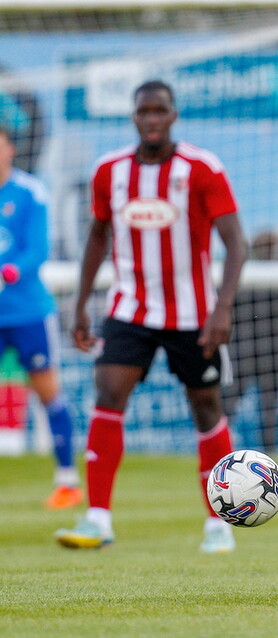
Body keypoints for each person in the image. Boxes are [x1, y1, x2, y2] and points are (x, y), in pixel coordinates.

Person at [54, 80, 247, 553]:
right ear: (134, 117)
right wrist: (81, 303)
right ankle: (98, 518)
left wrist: (221, 310)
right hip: (130, 309)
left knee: (206, 408)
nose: (152, 118)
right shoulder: (110, 172)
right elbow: (98, 236)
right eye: (144, 111)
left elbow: (237, 244)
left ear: (174, 115)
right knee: (108, 391)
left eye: (160, 110)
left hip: (192, 314)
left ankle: (217, 523)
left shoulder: (201, 168)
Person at [0, 126, 82, 509]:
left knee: (47, 389)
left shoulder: (30, 192)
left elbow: (38, 250)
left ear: (10, 149)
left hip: (27, 311)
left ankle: (67, 480)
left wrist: (8, 272)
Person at [222, 230, 278, 452]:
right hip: (262, 352)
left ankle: (223, 445)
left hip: (248, 351)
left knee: (233, 402)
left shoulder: (245, 276)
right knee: (265, 406)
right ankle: (268, 450)